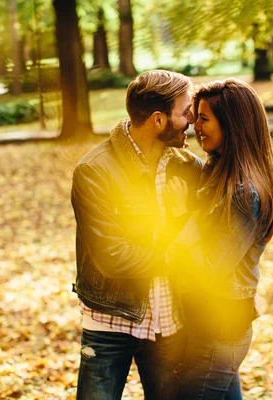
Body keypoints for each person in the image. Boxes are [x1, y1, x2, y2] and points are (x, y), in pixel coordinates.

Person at [70, 70, 203, 400]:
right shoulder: (95, 171)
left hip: (170, 321)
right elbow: (112, 257)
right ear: (158, 120)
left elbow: (206, 237)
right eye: (185, 110)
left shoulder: (189, 167)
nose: (192, 119)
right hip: (109, 320)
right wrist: (177, 251)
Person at [163, 78, 273, 400]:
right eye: (194, 116)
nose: (194, 125)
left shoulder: (245, 192)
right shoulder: (216, 171)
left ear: (233, 124)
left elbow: (211, 269)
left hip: (219, 330)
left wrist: (179, 216)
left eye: (204, 118)